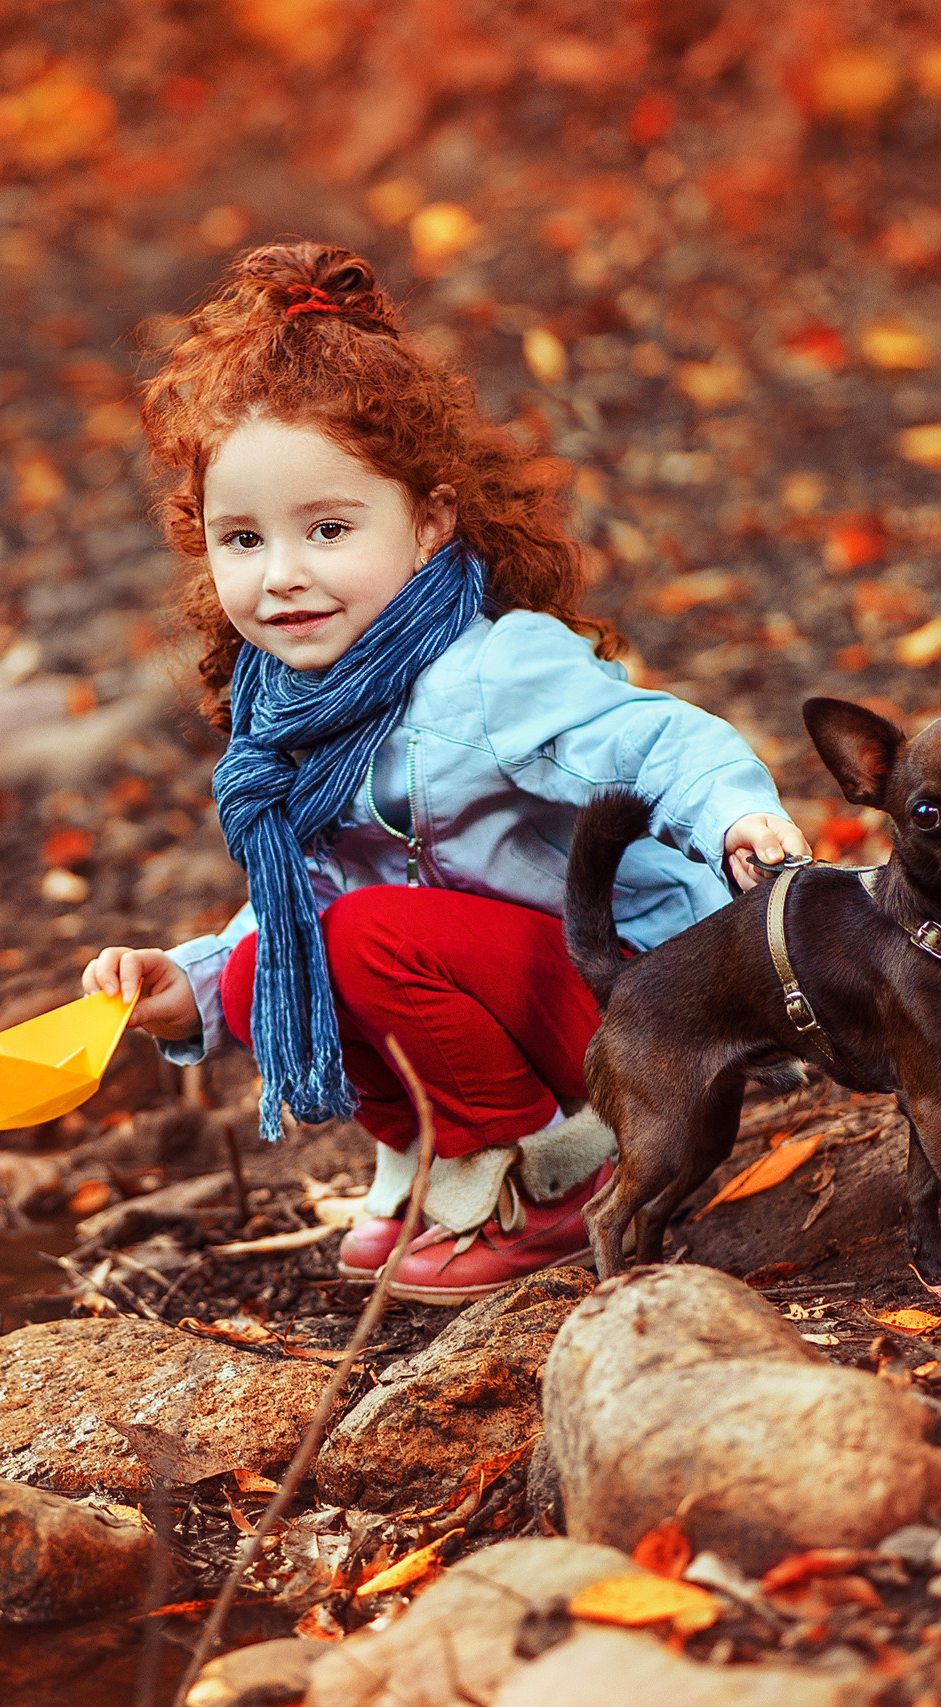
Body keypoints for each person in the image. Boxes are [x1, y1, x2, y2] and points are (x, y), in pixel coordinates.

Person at [79, 241, 807, 1304]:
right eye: (242, 539)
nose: (282, 575)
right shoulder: (292, 716)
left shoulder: (490, 669)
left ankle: (561, 1179)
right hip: (519, 1001)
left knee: (369, 940)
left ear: (428, 521)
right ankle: (448, 1167)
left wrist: (736, 813)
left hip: (646, 1026)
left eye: (328, 529)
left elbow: (655, 740)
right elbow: (300, 905)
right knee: (263, 968)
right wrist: (185, 985)